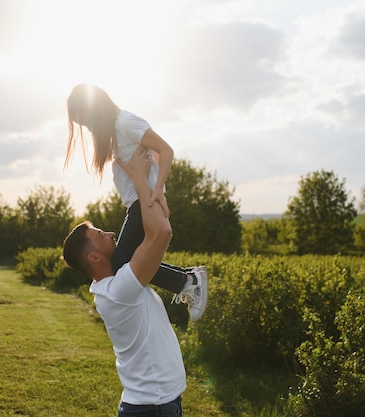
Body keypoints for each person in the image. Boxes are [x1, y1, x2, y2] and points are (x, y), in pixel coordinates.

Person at [64, 83, 207, 321]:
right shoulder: (115, 131)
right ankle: (187, 279)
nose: (88, 128)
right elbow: (156, 154)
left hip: (142, 204)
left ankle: (187, 281)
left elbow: (166, 150)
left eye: (87, 121)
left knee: (121, 266)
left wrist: (158, 188)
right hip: (135, 205)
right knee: (126, 264)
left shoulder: (125, 123)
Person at [63, 145, 187, 416]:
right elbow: (161, 233)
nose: (109, 233)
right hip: (153, 408)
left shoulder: (114, 284)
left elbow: (144, 230)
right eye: (100, 235)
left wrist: (147, 166)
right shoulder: (119, 290)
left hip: (155, 403)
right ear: (94, 258)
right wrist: (140, 179)